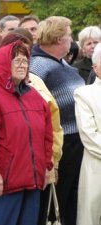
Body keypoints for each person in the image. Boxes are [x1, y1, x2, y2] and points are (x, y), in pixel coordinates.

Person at [0, 41, 53, 225]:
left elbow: (47, 136)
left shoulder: (35, 96)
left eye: (25, 61)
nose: (23, 65)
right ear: (3, 63)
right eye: (17, 61)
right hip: (3, 182)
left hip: (32, 181)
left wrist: (46, 167)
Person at [30, 16, 85, 225]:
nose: (71, 40)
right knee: (57, 199)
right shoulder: (38, 66)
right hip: (59, 142)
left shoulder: (63, 64)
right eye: (69, 35)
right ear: (59, 38)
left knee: (72, 197)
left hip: (76, 139)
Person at [74, 43, 101, 225]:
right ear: (96, 66)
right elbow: (89, 135)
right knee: (91, 217)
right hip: (96, 165)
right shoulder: (84, 94)